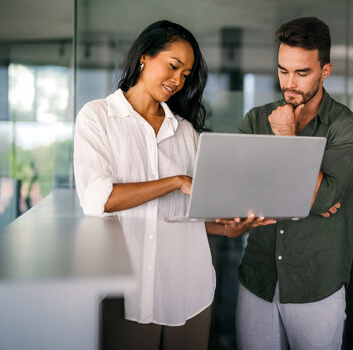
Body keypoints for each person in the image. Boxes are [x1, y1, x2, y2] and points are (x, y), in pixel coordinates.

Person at [73, 20, 269, 350]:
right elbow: (98, 199)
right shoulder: (97, 117)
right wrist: (175, 181)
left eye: (186, 75)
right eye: (173, 66)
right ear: (144, 57)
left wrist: (226, 229)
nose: (178, 80)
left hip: (189, 290)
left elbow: (188, 214)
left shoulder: (186, 133)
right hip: (126, 292)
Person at [233, 17, 353, 350]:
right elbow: (238, 192)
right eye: (283, 70)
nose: (289, 83)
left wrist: (286, 137)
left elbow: (322, 200)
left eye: (302, 72)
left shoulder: (350, 129)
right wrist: (306, 196)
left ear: (326, 71)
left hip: (316, 284)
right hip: (258, 278)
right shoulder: (255, 119)